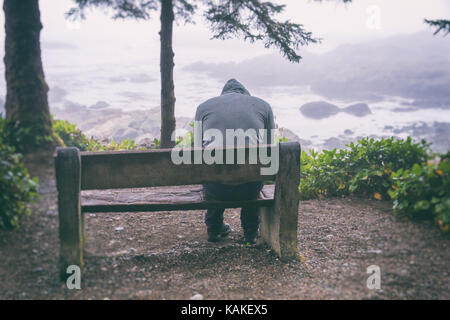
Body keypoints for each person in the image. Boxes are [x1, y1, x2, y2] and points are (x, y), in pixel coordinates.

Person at [194, 79, 275, 244]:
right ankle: (251, 231)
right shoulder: (263, 106)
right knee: (252, 171)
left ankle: (214, 228)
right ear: (245, 94)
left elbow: (197, 150)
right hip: (250, 188)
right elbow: (270, 149)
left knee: (213, 169)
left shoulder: (203, 108)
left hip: (215, 188)